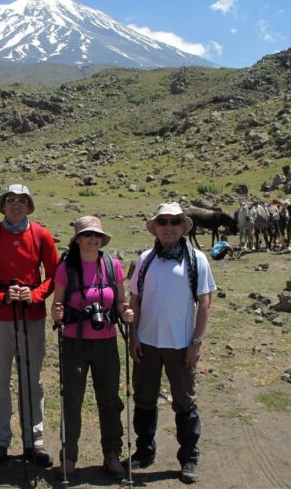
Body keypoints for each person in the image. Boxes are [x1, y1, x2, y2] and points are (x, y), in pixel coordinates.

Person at [127, 202, 216, 484]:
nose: (168, 227)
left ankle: (189, 457)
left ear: (183, 227)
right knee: (144, 399)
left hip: (180, 345)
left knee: (184, 402)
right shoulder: (145, 260)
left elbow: (205, 303)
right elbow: (135, 301)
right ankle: (144, 451)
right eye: (163, 222)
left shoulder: (196, 259)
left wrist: (196, 342)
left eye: (174, 222)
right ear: (155, 227)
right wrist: (133, 338)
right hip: (148, 343)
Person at [0, 184, 59, 467]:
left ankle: (33, 441)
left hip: (31, 315)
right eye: (10, 200)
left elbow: (54, 276)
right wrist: (1, 295)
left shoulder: (42, 235)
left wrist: (34, 295)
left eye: (22, 201)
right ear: (2, 205)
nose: (16, 205)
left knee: (32, 380)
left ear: (29, 206)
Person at [51, 216, 134, 479]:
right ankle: (69, 457)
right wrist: (57, 313)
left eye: (97, 235)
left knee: (110, 400)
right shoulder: (66, 267)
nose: (93, 239)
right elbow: (57, 303)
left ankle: (112, 454)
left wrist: (125, 312)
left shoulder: (113, 265)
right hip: (75, 342)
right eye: (87, 235)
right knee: (72, 400)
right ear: (78, 239)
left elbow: (120, 301)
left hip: (106, 343)